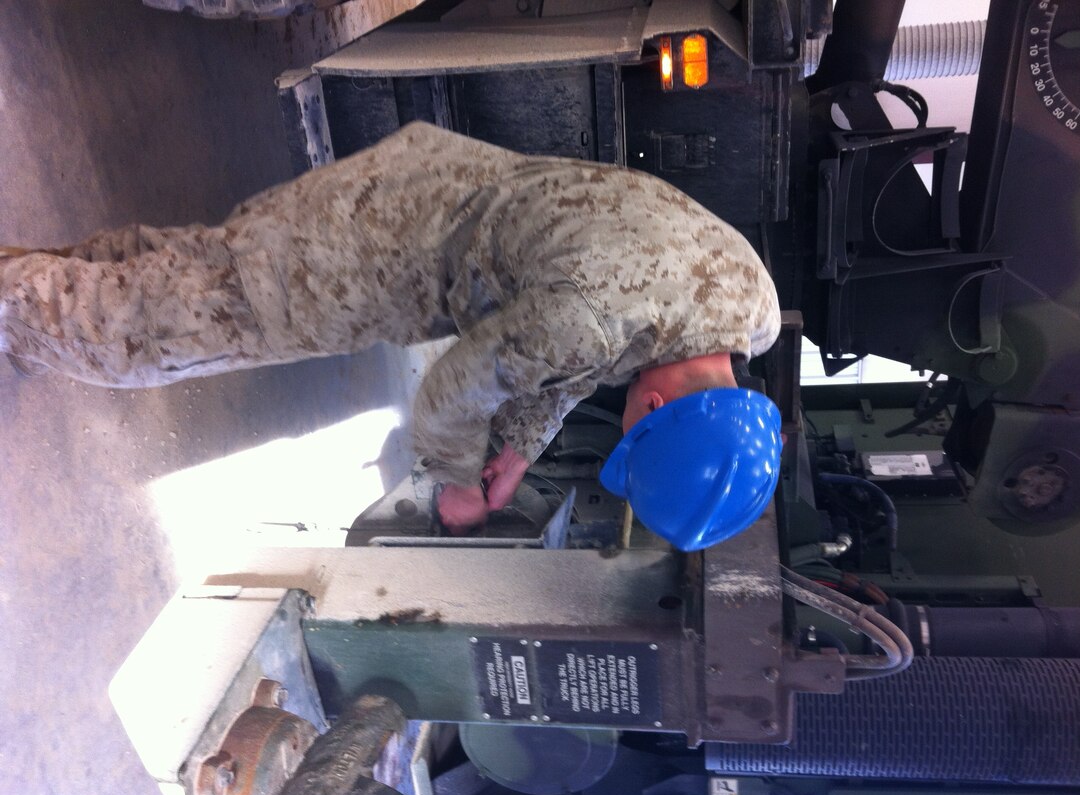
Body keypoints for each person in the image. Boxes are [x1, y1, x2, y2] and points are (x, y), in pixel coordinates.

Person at [0, 122, 780, 534]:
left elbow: (594, 341)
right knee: (155, 330)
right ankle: (24, 310)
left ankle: (25, 295)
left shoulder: (750, 304)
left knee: (182, 271)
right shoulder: (596, 321)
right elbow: (447, 395)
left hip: (448, 184)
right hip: (373, 242)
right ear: (648, 414)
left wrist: (514, 451)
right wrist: (456, 481)